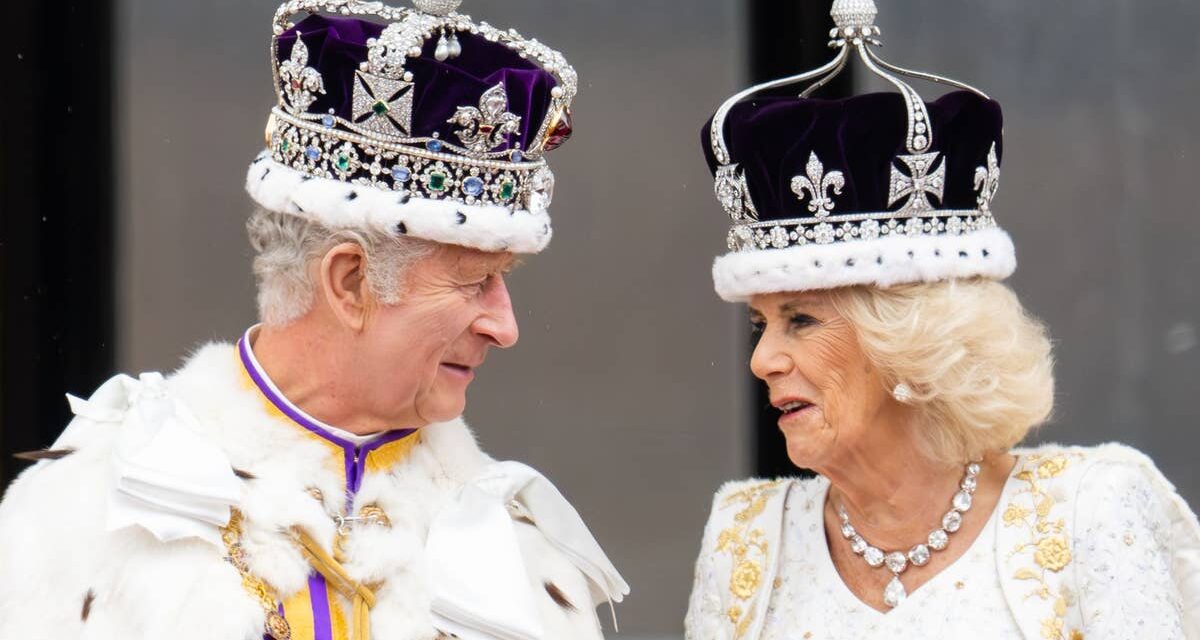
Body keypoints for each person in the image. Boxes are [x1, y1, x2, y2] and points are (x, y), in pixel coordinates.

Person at [0, 1, 627, 638]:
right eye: (473, 283)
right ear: (350, 283)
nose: (505, 326)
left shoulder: (518, 555)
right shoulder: (87, 514)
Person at [683, 1, 1199, 638]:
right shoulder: (745, 540)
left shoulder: (1088, 509)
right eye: (762, 325)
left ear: (911, 342)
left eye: (803, 322)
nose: (762, 361)